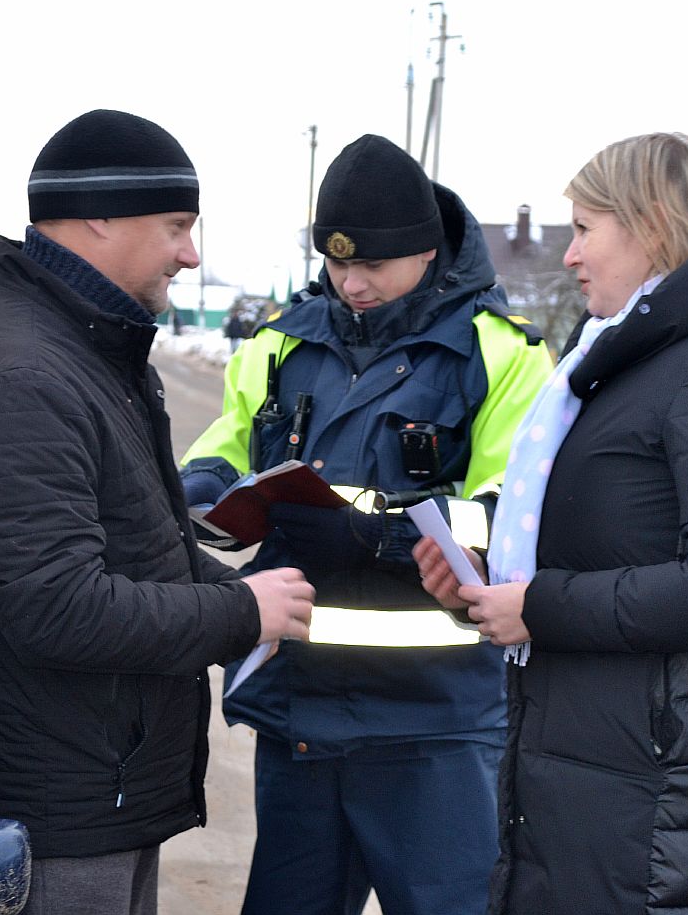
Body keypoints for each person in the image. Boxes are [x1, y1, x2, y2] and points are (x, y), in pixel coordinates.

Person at [0, 109, 314, 915]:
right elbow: (55, 606)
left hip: (99, 786)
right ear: (99, 215)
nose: (191, 254)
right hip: (56, 808)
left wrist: (239, 588)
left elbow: (137, 545)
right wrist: (237, 611)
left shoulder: (81, 349)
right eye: (176, 226)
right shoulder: (22, 377)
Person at [414, 132, 688, 914]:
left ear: (652, 222)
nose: (569, 255)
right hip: (583, 753)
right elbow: (595, 521)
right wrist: (482, 559)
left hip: (663, 780)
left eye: (586, 228)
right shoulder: (612, 358)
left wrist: (540, 605)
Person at [180, 134, 553, 915]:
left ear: (426, 251)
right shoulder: (283, 342)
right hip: (300, 704)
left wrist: (382, 528)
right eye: (336, 263)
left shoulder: (503, 355)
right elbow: (234, 434)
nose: (351, 283)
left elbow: (510, 514)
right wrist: (203, 490)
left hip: (435, 720)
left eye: (371, 266)